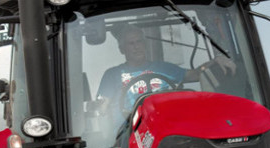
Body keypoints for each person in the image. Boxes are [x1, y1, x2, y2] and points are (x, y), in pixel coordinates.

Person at [95, 26, 235, 114]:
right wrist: (96, 108)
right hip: (129, 132)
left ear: (145, 44)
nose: (136, 46)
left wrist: (215, 61)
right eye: (131, 43)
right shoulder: (112, 75)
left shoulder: (164, 68)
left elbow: (195, 75)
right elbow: (102, 107)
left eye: (139, 42)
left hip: (165, 125)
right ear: (122, 49)